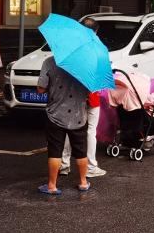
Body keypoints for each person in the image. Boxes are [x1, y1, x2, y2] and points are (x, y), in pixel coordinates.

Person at [36, 56, 90, 194]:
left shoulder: (49, 62)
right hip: (79, 116)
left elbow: (41, 89)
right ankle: (83, 182)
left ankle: (52, 186)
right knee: (81, 151)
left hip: (56, 115)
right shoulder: (85, 63)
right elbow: (90, 90)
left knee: (55, 151)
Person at [61, 17, 106, 177]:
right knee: (90, 131)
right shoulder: (97, 48)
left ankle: (63, 164)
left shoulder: (70, 46)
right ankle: (91, 167)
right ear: (95, 31)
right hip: (91, 94)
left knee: (68, 129)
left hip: (72, 94)